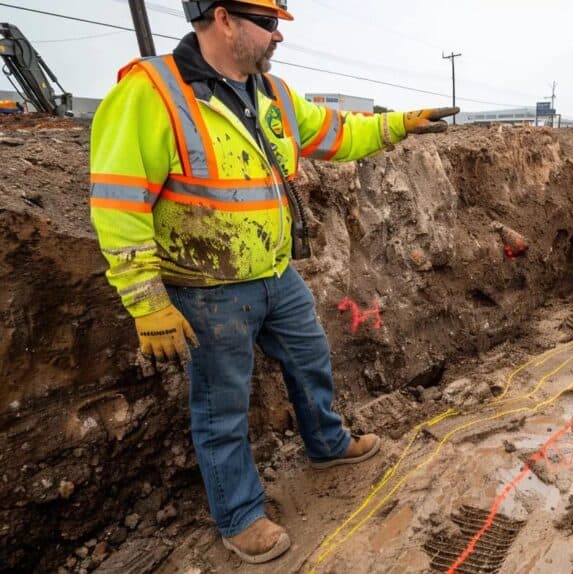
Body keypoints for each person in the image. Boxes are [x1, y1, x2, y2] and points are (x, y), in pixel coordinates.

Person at [88, 0, 457, 564]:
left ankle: (328, 444)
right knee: (222, 406)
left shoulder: (273, 94)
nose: (277, 36)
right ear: (224, 18)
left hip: (274, 275)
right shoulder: (151, 93)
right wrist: (146, 300)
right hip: (207, 288)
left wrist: (398, 125)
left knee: (310, 357)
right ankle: (238, 516)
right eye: (268, 23)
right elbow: (118, 203)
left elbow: (337, 134)